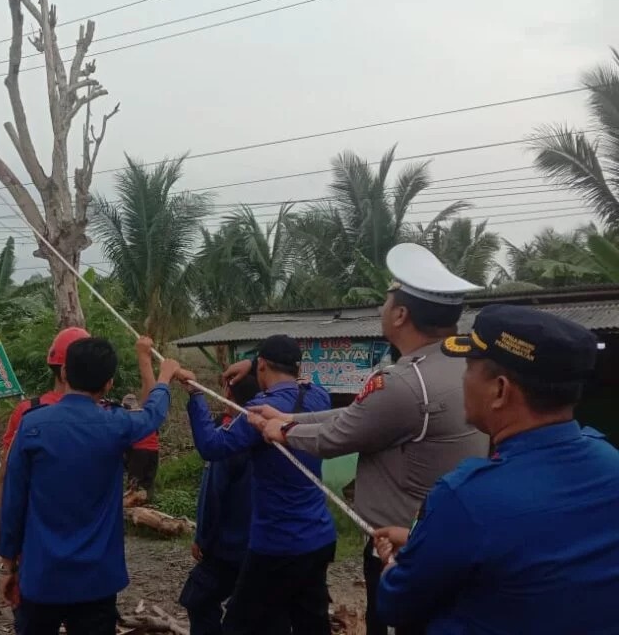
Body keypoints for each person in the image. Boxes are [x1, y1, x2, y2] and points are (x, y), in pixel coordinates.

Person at [239, 244, 490, 635]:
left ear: (402, 314)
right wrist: (292, 417)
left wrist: (283, 431)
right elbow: (365, 416)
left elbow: (342, 434)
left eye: (388, 299)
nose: (382, 308)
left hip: (400, 547)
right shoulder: (461, 364)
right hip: (446, 538)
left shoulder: (404, 381)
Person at [371, 305, 619, 634]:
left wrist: (391, 567)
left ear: (499, 390)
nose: (463, 379)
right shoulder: (611, 463)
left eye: (469, 368)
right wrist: (426, 541)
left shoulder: (466, 498)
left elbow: (396, 603)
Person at [0, 337, 178, 635]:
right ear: (109, 384)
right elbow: (152, 414)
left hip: (42, 578)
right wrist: (164, 378)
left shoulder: (32, 425)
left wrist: (7, 566)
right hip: (97, 582)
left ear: (64, 372)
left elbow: (14, 502)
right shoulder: (116, 425)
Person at [184, 335, 336, 635]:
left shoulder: (259, 411)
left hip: (276, 544)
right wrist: (254, 364)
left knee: (239, 625)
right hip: (318, 537)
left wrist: (194, 395)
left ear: (263, 365)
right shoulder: (318, 396)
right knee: (309, 624)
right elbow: (298, 380)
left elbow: (213, 447)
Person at [0, 326, 90, 563]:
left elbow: (7, 475)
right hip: (87, 538)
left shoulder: (27, 411)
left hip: (36, 537)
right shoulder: (103, 413)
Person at [178, 368, 259, 635]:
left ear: (228, 394)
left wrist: (202, 538)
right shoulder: (269, 430)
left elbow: (214, 495)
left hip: (229, 546)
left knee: (198, 598)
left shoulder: (231, 439)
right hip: (260, 544)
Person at [121, 392, 161, 502]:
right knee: (148, 481)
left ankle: (132, 510)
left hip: (138, 451)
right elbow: (156, 433)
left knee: (134, 483)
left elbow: (125, 440)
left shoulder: (128, 418)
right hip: (154, 451)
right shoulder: (146, 416)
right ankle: (148, 504)